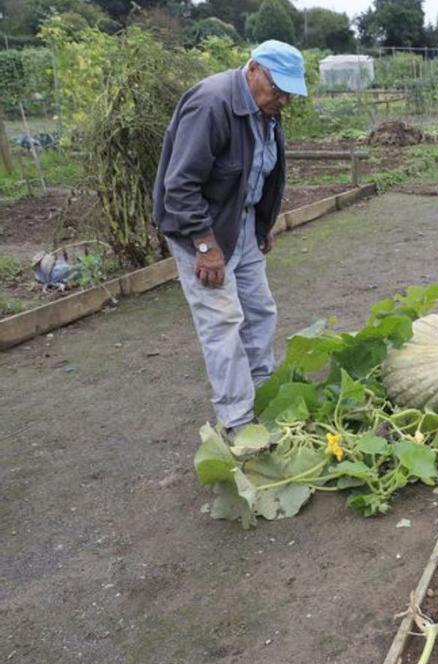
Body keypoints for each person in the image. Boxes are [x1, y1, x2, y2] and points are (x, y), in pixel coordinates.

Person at [152, 40, 307, 437]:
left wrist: (262, 222)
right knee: (223, 323)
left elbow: (259, 171)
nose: (284, 100)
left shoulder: (265, 109)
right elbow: (181, 185)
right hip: (201, 233)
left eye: (289, 93)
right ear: (253, 69)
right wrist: (206, 247)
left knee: (259, 312)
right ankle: (238, 423)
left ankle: (264, 395)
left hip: (242, 225)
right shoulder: (211, 104)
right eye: (278, 90)